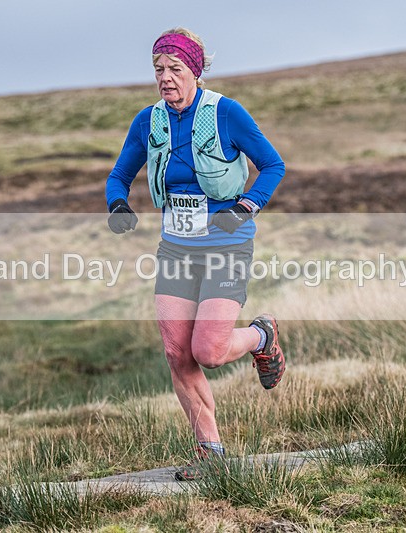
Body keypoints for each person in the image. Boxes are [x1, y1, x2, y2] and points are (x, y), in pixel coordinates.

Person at [105, 27, 286, 480]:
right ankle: (211, 454)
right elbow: (118, 176)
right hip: (176, 249)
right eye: (158, 69)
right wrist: (118, 205)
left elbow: (272, 165)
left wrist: (246, 206)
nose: (165, 78)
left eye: (175, 68)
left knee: (208, 350)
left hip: (226, 244)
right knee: (176, 352)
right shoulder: (148, 121)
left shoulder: (226, 113)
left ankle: (261, 336)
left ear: (195, 71)